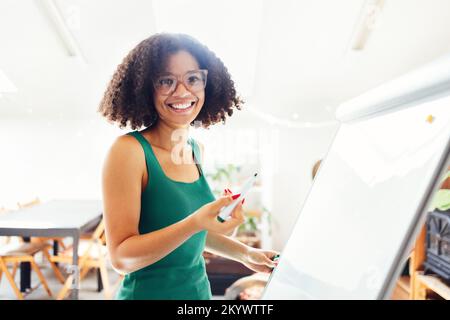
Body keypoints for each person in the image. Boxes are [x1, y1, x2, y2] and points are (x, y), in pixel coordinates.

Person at [99, 33, 278, 299]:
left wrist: (245, 253)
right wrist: (194, 222)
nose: (182, 91)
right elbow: (121, 258)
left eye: (193, 78)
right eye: (166, 81)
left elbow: (190, 236)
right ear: (146, 88)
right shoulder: (129, 152)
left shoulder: (195, 150)